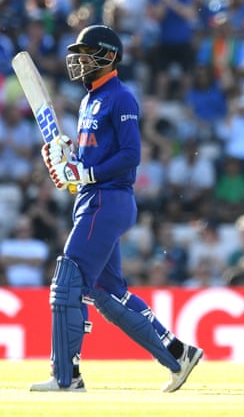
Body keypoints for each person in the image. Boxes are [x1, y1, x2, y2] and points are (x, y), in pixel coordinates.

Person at [32, 25, 203, 392]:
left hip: (108, 200)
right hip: (92, 199)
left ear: (108, 56)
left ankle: (67, 377)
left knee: (68, 281)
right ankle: (178, 354)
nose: (78, 61)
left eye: (85, 54)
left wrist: (85, 172)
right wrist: (65, 162)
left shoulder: (120, 97)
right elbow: (84, 164)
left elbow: (130, 156)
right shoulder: (88, 99)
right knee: (108, 295)